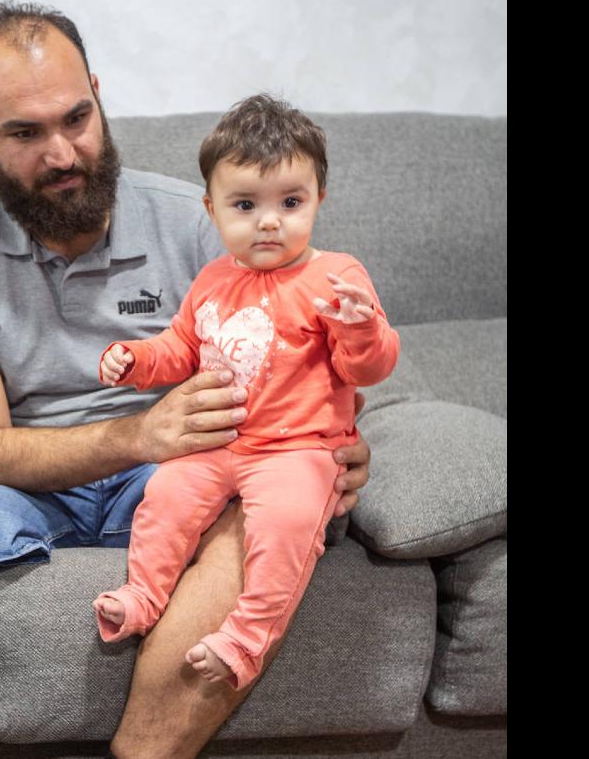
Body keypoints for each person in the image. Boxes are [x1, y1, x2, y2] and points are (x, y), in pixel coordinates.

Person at [0, 1, 371, 757]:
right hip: (32, 486)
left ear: (97, 93)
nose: (63, 153)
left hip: (174, 474)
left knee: (263, 505)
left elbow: (307, 350)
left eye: (76, 118)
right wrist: (138, 433)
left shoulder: (199, 220)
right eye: (25, 133)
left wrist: (334, 445)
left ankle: (143, 749)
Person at [92, 94, 399, 690]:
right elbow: (180, 348)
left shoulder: (336, 277)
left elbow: (368, 368)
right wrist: (134, 360)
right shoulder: (212, 279)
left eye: (291, 202)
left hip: (297, 450)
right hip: (218, 444)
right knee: (164, 495)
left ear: (319, 199)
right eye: (245, 205)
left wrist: (362, 327)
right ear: (212, 210)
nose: (269, 221)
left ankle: (246, 639)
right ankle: (142, 596)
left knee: (286, 523)